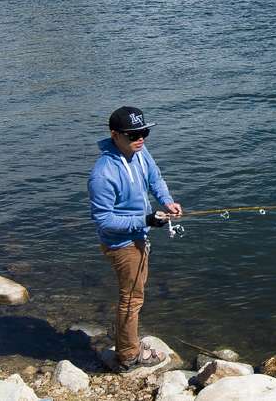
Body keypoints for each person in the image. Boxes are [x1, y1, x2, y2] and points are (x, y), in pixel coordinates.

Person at [88, 106, 183, 372]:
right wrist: (145, 220)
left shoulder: (140, 153)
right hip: (122, 244)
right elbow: (104, 220)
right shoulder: (103, 174)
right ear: (115, 135)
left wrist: (167, 202)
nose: (140, 138)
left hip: (140, 234)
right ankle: (128, 355)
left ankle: (127, 344)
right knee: (131, 298)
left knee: (134, 295)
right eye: (133, 134)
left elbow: (156, 179)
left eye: (144, 132)